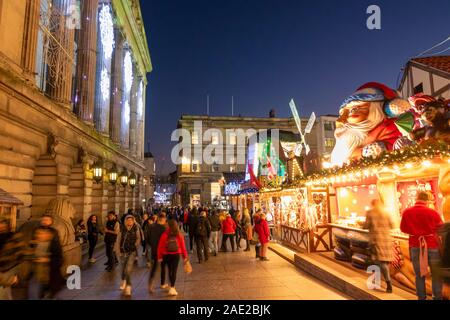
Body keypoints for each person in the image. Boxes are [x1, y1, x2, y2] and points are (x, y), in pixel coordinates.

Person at [400, 191, 444, 300]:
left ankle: (421, 298)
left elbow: (403, 229)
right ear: (427, 200)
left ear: (417, 198)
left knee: (419, 275)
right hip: (432, 246)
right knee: (436, 274)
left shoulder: (407, 212)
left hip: (415, 246)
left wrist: (415, 232)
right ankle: (437, 297)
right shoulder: (433, 213)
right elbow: (442, 229)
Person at [28, 215, 64, 299]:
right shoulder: (36, 230)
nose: (44, 221)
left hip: (49, 266)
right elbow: (31, 247)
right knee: (36, 284)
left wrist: (48, 259)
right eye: (43, 219)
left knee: (49, 284)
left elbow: (57, 250)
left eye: (47, 220)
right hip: (37, 267)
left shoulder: (54, 232)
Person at [363, 199, 394, 293]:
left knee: (380, 262)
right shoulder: (386, 212)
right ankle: (379, 280)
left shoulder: (370, 212)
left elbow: (366, 225)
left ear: (373, 204)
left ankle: (388, 283)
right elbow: (392, 225)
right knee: (384, 262)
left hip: (376, 240)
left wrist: (363, 225)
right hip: (387, 240)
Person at [157, 219, 189, 296]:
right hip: (176, 254)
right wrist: (185, 257)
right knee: (174, 271)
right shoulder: (179, 234)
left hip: (166, 255)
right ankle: (172, 287)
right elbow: (183, 246)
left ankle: (171, 285)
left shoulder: (164, 234)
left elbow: (160, 246)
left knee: (170, 270)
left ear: (168, 225)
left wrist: (159, 257)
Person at [0, 217, 27, 300]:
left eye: (3, 225)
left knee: (4, 289)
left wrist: (17, 273)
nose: (1, 227)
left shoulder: (14, 236)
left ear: (7, 225)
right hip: (2, 269)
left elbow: (22, 253)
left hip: (9, 267)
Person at [115, 215, 142, 297]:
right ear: (126, 221)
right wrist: (118, 251)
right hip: (123, 252)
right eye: (128, 220)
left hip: (131, 252)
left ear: (133, 221)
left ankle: (128, 286)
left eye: (131, 220)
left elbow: (138, 238)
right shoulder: (122, 229)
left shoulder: (135, 228)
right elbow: (118, 240)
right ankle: (123, 280)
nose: (129, 221)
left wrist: (135, 245)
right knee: (123, 268)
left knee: (128, 269)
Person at [146, 213, 168, 293]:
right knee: (164, 267)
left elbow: (147, 239)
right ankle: (163, 283)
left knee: (154, 267)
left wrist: (152, 245)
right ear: (163, 220)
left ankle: (150, 284)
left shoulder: (151, 227)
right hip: (163, 251)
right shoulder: (164, 228)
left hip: (154, 250)